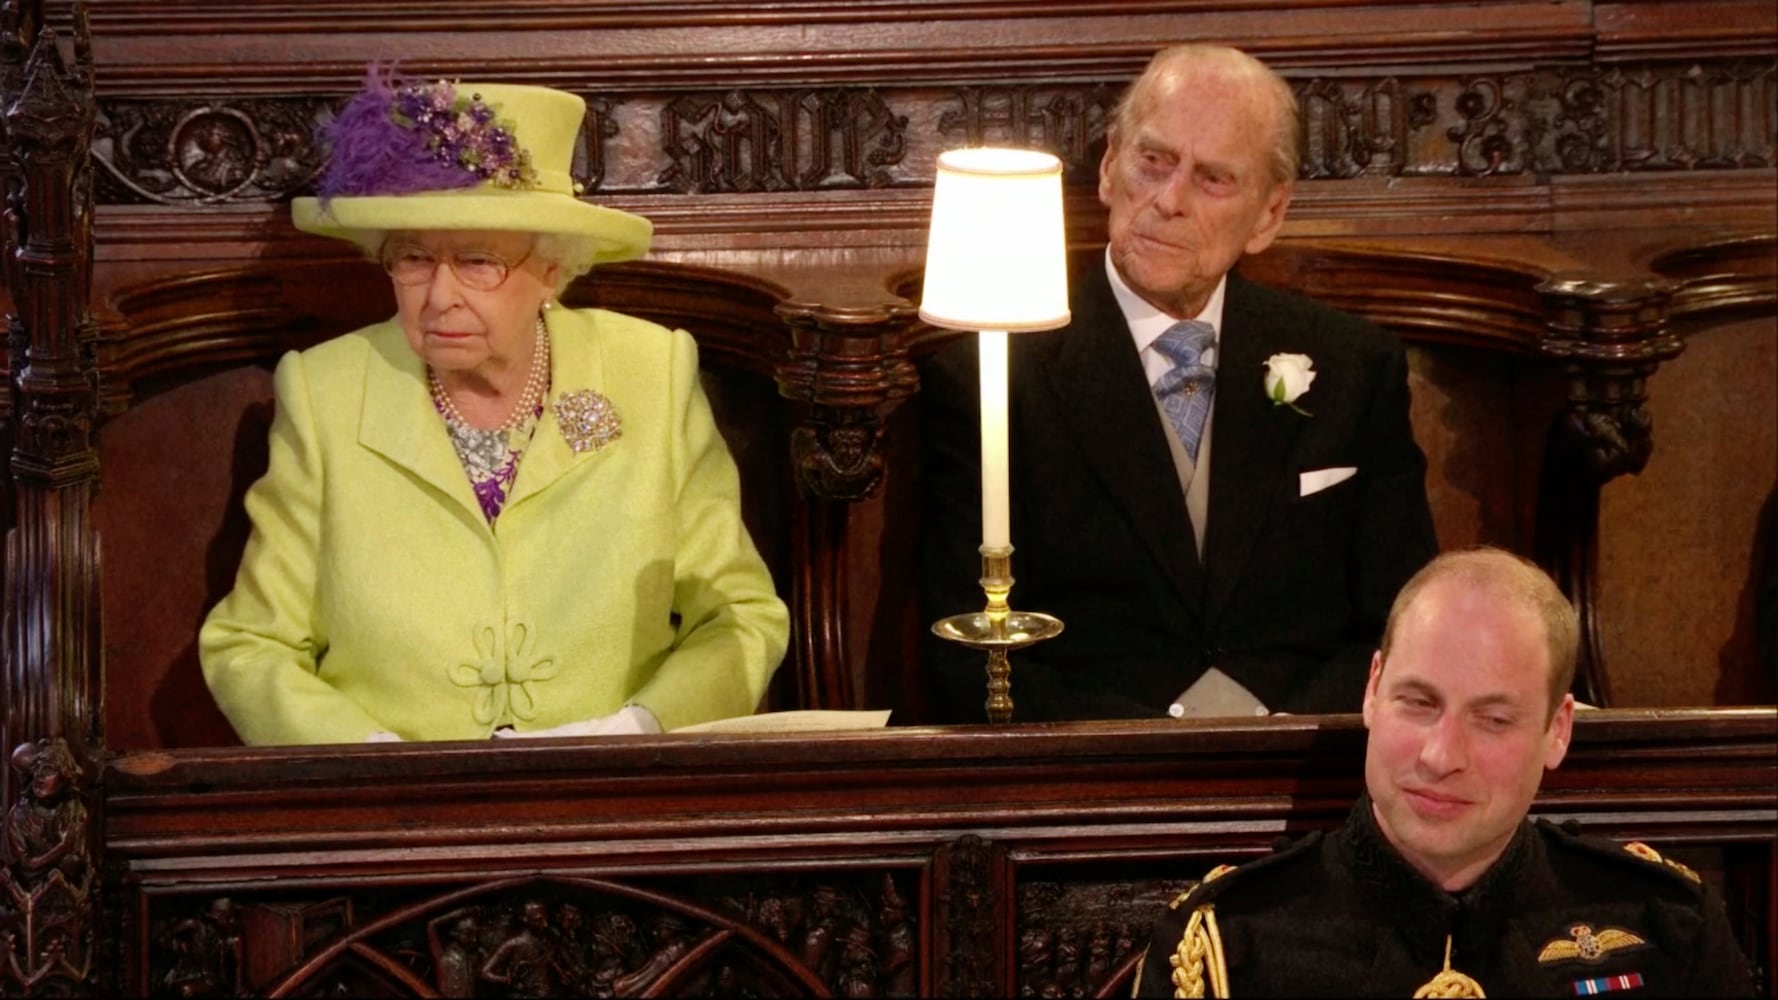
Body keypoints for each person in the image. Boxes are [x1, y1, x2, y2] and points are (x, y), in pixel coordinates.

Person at [199, 65, 789, 744]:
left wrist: (634, 730)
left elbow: (741, 617)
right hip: (395, 820)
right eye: (413, 258)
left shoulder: (649, 372)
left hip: (615, 805)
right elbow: (249, 644)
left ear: (550, 269)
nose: (439, 295)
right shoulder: (326, 389)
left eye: (478, 262)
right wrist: (372, 762)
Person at [917, 44, 1436, 723]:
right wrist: (1154, 750)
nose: (1169, 200)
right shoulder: (990, 374)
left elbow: (1407, 630)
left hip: (1310, 763)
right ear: (1109, 167)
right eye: (1153, 162)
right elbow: (966, 652)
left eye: (1213, 179)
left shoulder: (1351, 366)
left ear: (1270, 215)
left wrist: (1282, 734)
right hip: (1095, 773)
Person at [1133, 547, 1758, 997]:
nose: (1440, 756)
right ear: (1373, 689)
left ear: (1557, 730)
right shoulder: (1229, 947)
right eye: (1419, 702)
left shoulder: (1668, 925)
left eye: (1492, 720)